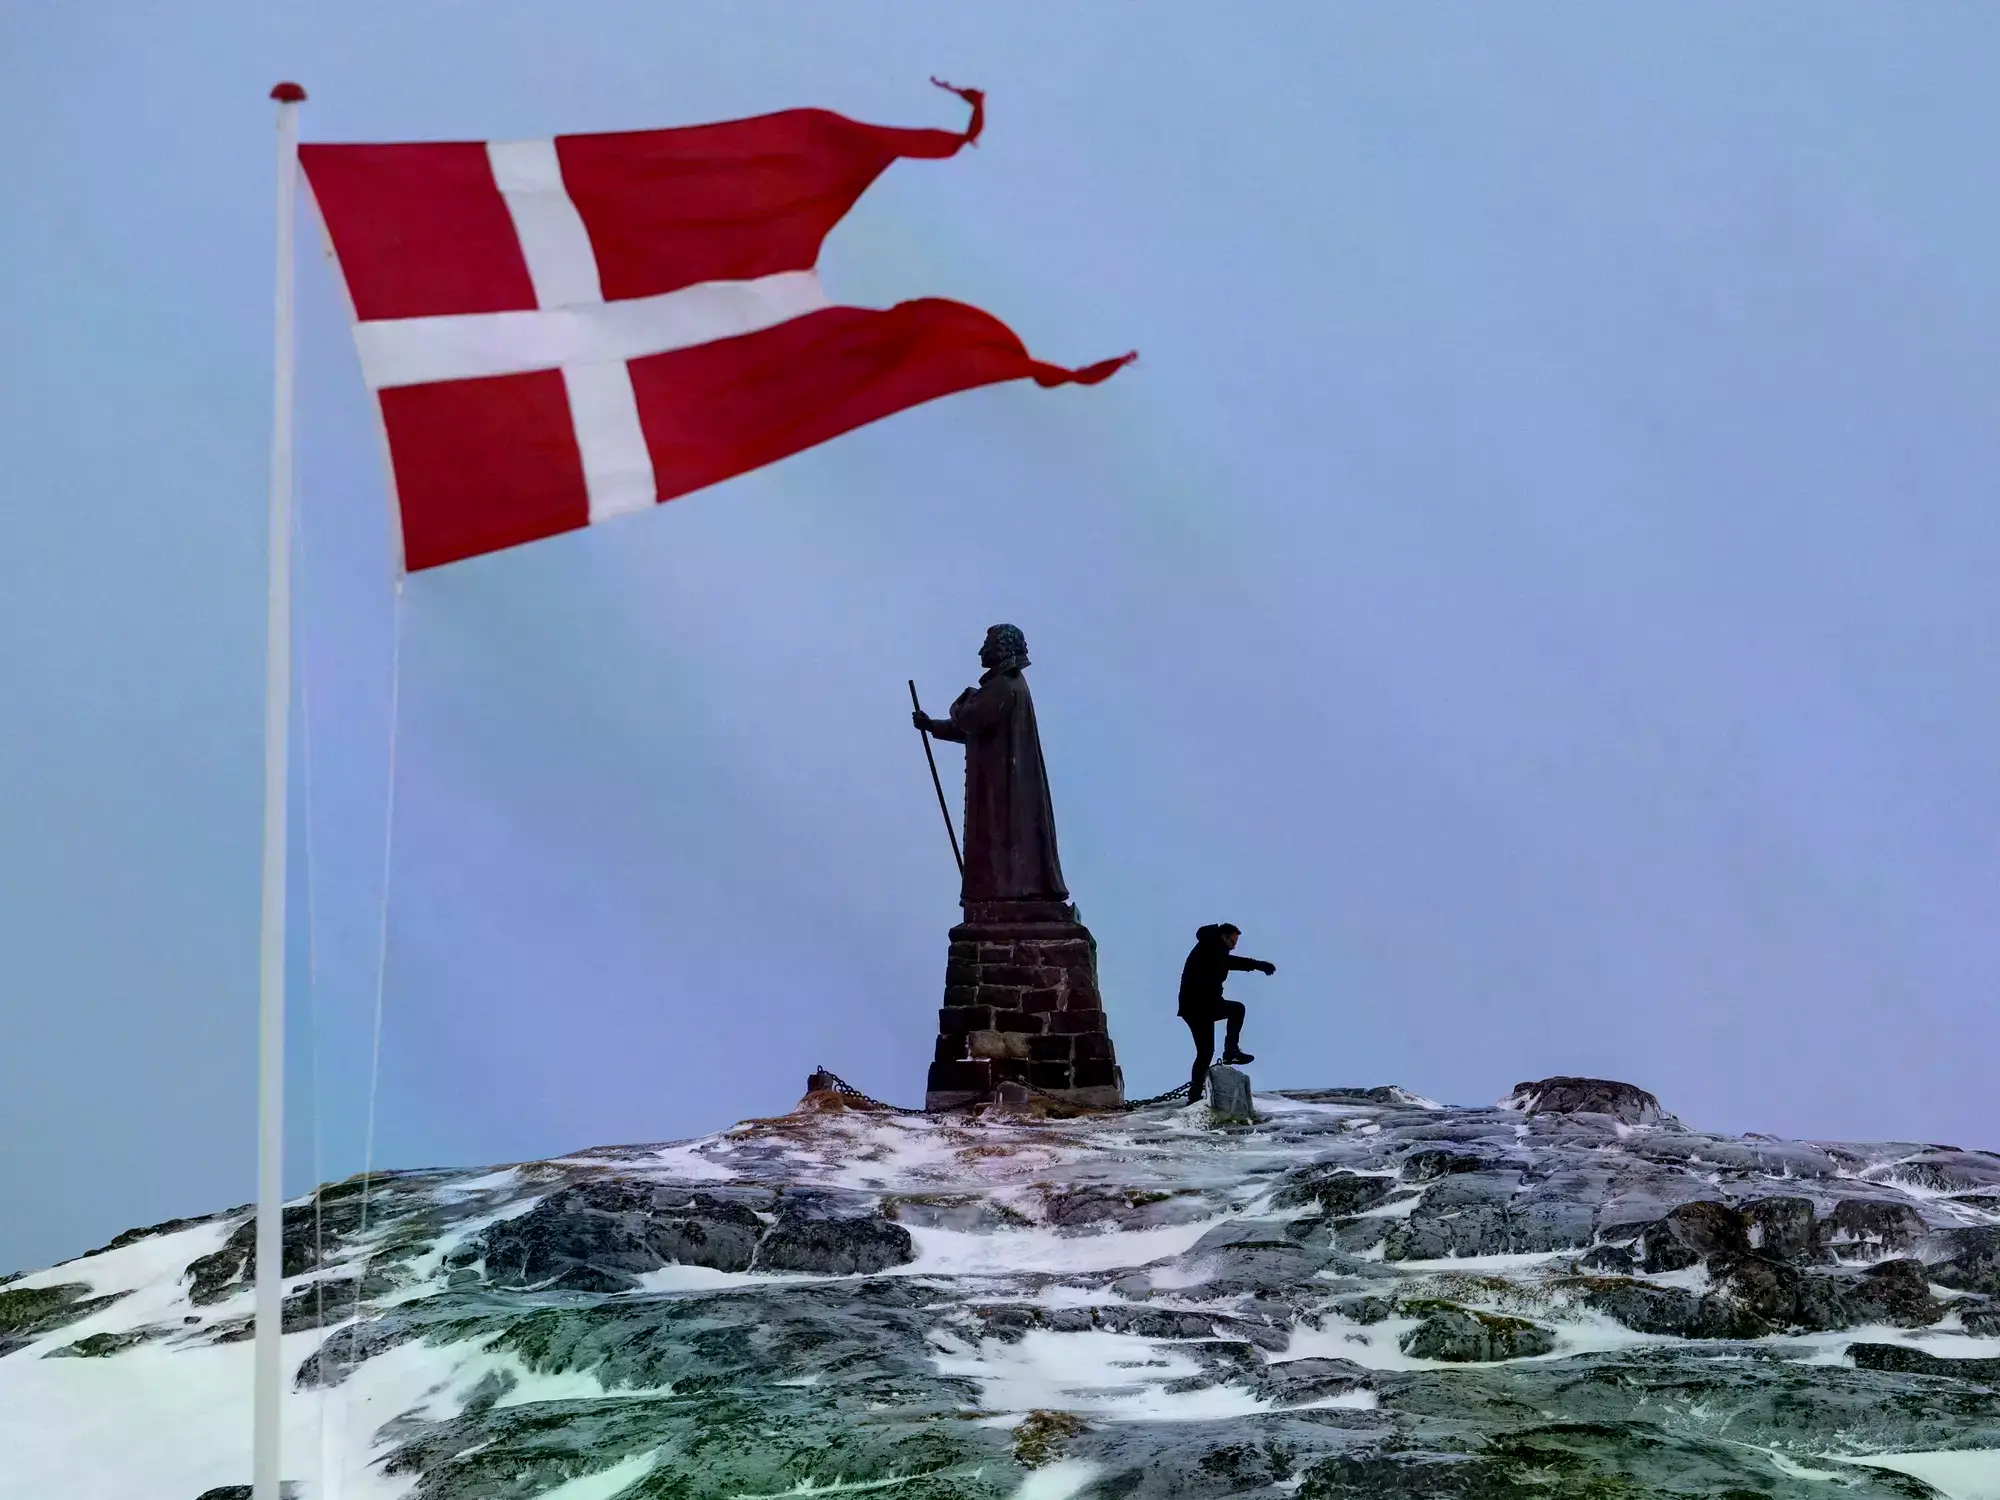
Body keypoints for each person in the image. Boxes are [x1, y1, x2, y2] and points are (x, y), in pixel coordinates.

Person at [1177, 923, 1275, 1103]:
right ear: (1224, 936)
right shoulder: (1211, 947)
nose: (1234, 946)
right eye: (1233, 941)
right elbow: (1230, 962)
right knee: (1237, 1009)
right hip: (1200, 1005)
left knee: (1205, 1052)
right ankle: (1231, 1051)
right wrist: (1258, 965)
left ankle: (1194, 1095)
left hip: (1197, 1007)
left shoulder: (1212, 947)